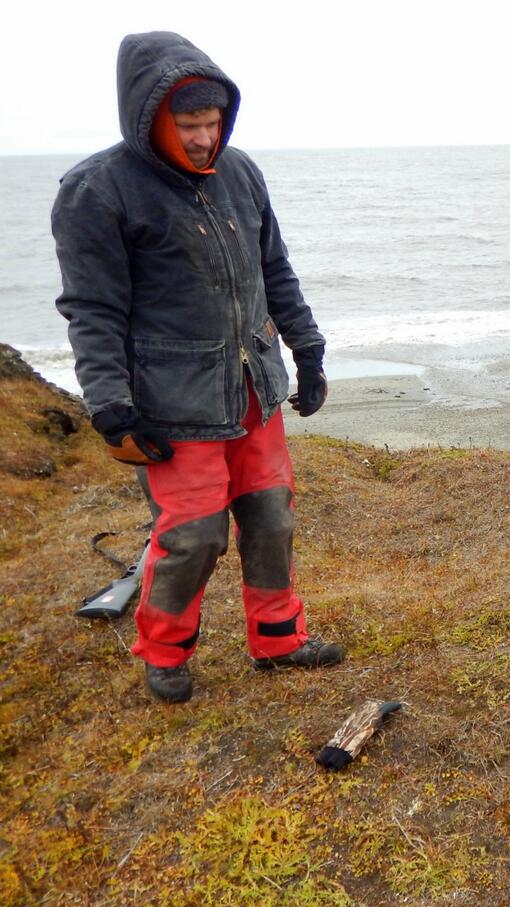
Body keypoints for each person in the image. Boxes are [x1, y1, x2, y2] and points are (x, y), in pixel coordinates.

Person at [52, 31, 345, 702]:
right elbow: (92, 308)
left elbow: (274, 269)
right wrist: (110, 404)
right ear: (149, 116)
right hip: (172, 402)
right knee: (194, 536)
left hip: (251, 389)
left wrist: (308, 348)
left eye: (213, 121)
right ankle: (165, 652)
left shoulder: (241, 173)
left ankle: (279, 638)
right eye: (189, 124)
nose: (205, 136)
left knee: (272, 517)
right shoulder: (95, 191)